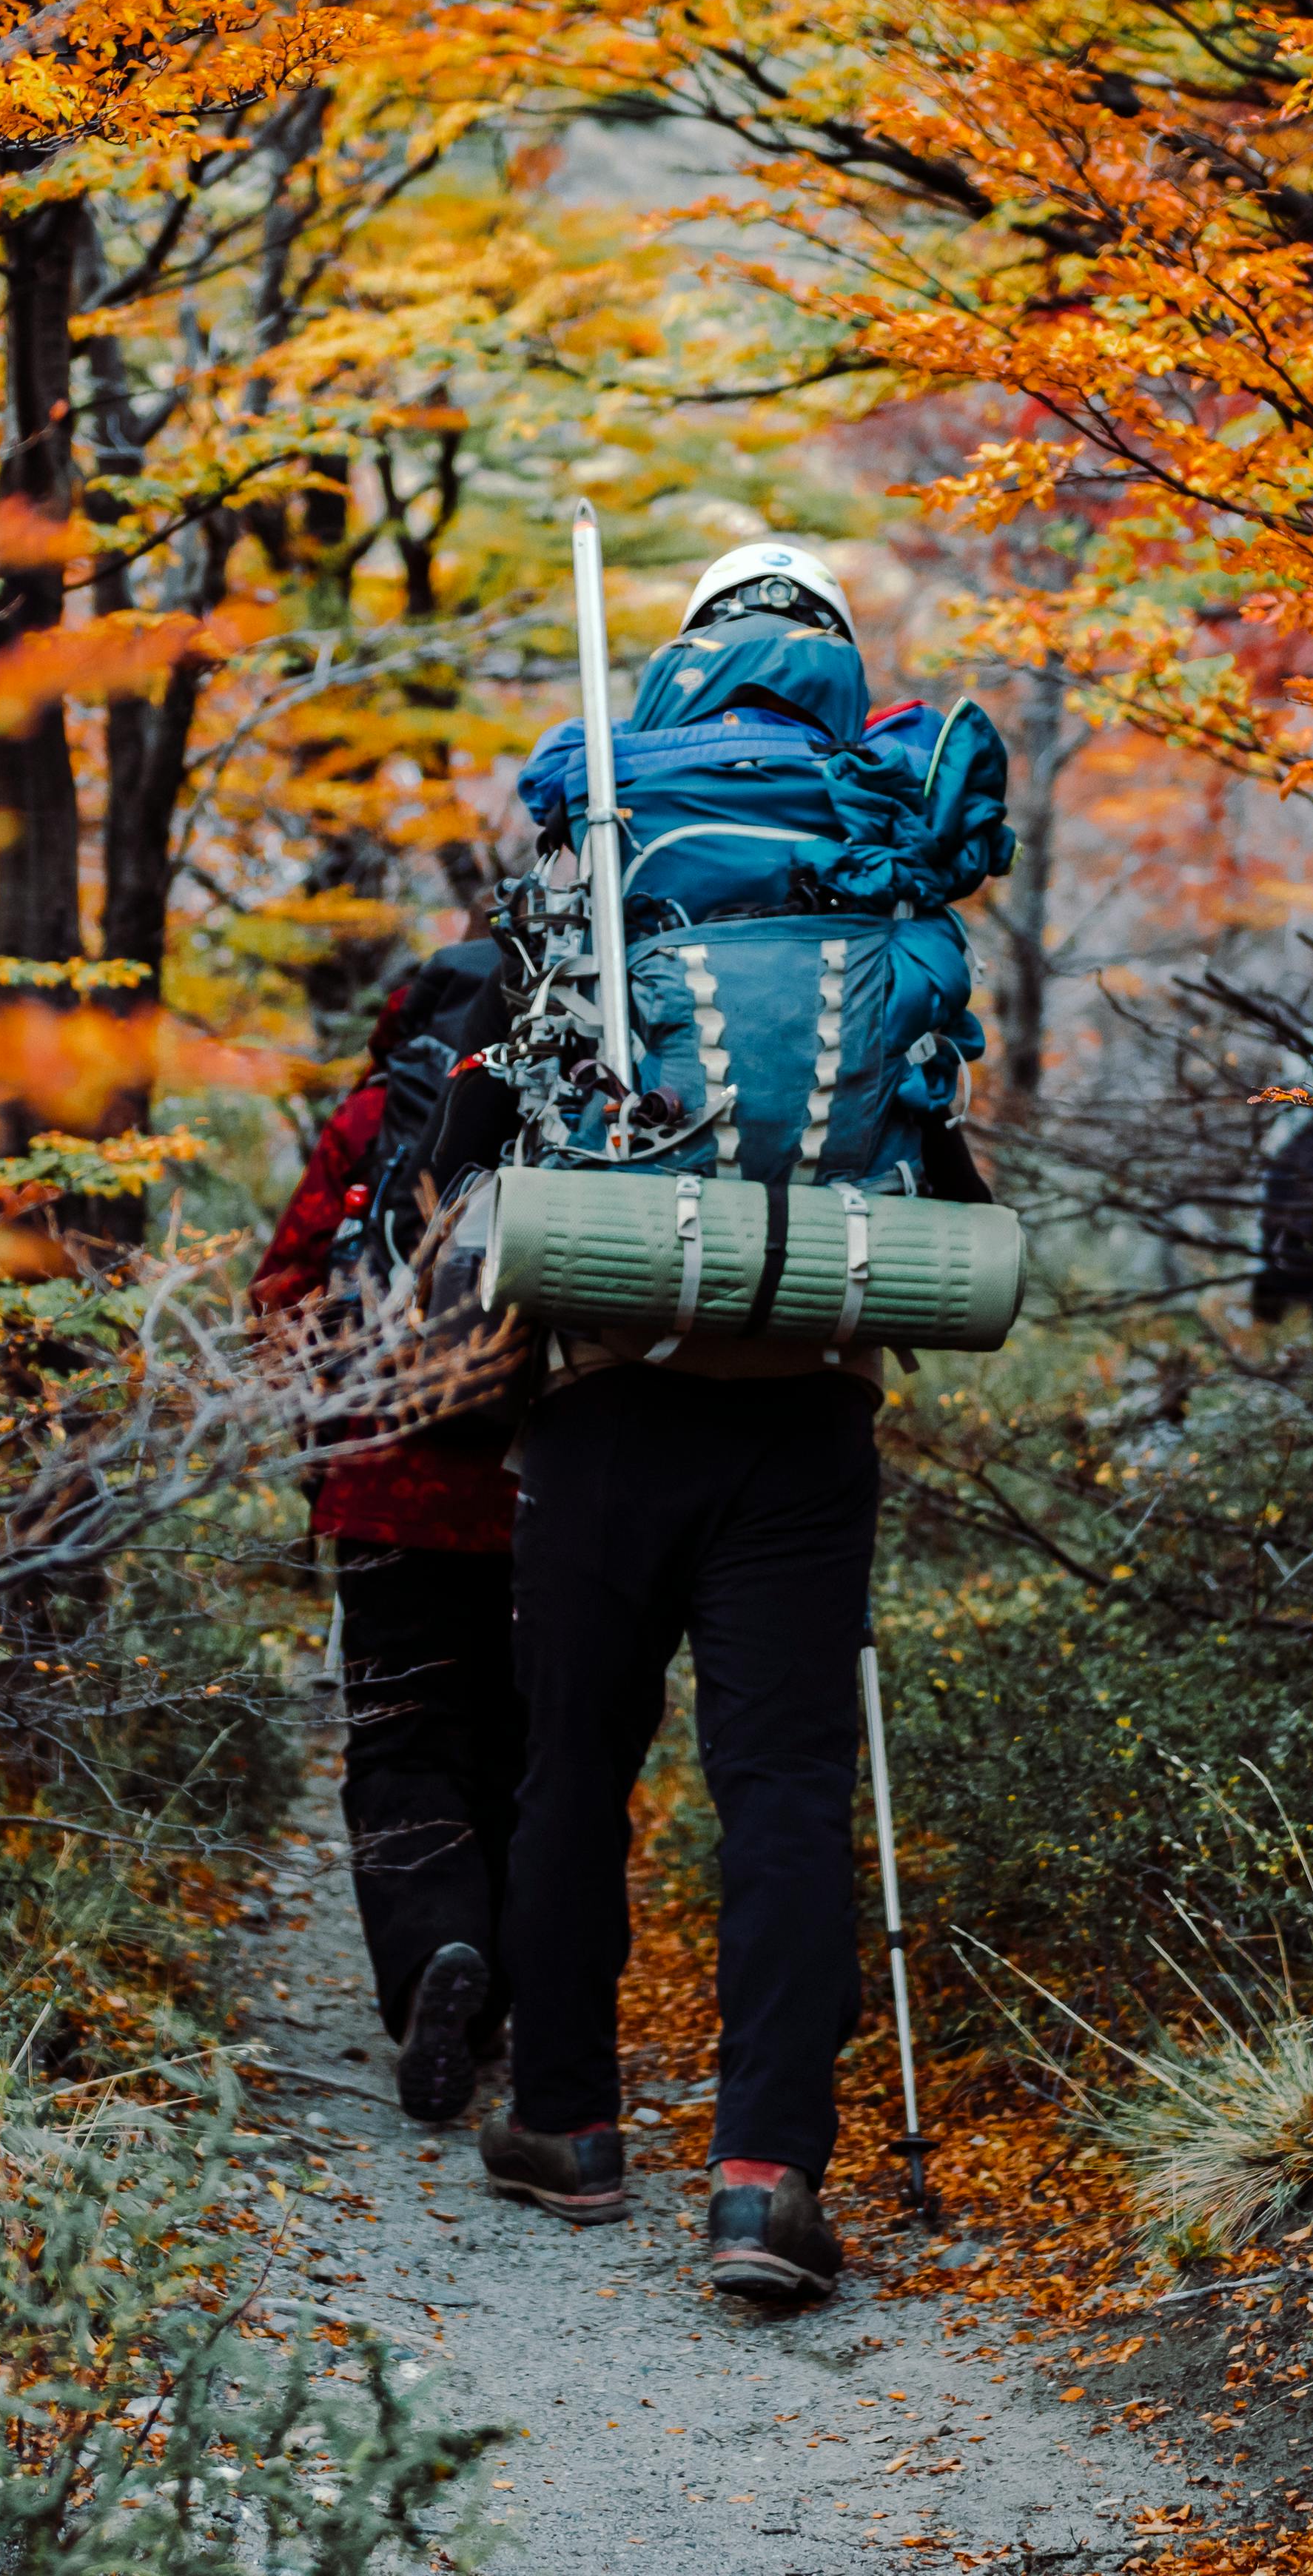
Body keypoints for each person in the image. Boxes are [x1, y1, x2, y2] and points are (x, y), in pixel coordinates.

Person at [474, 539, 944, 2306]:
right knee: (784, 1793)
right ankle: (763, 2182)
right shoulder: (881, 809)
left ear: (686, 651)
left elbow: (527, 1065)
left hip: (605, 1387)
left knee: (571, 1775)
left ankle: (570, 2126)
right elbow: (934, 1105)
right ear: (831, 648)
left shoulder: (608, 805)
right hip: (809, 1390)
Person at [249, 950, 526, 2125]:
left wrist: (330, 1430)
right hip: (541, 1491)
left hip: (386, 1490)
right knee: (529, 1750)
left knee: (405, 1745)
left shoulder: (371, 1116)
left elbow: (283, 1293)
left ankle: (433, 1964)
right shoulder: (582, 1115)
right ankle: (515, 1991)